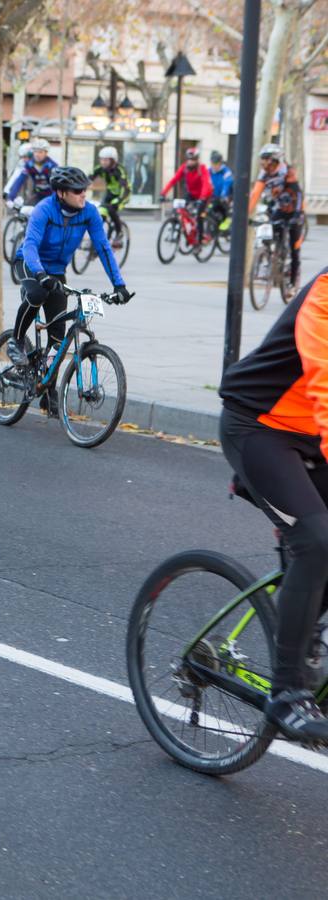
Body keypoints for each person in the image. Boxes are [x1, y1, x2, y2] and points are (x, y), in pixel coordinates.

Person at [218, 269, 328, 742]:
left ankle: (308, 641)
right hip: (258, 427)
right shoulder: (325, 294)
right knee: (318, 540)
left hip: (311, 437)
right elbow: (325, 384)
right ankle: (288, 691)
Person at [7, 166, 131, 368]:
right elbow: (30, 245)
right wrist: (39, 273)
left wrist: (119, 285)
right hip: (29, 264)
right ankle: (16, 342)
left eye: (84, 190)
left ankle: (49, 391)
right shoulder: (44, 209)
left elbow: (103, 248)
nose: (83, 194)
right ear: (61, 193)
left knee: (57, 342)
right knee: (37, 294)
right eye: (77, 190)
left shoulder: (89, 212)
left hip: (56, 271)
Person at [248, 143, 304, 287]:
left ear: (277, 160)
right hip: (279, 208)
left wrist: (297, 215)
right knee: (268, 230)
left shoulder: (287, 172)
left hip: (294, 210)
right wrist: (246, 214)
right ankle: (268, 257)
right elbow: (255, 195)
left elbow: (297, 194)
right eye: (263, 160)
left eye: (268, 160)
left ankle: (292, 282)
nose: (265, 164)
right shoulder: (264, 175)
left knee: (294, 248)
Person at [160, 148, 213, 245]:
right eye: (189, 159)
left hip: (204, 195)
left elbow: (206, 184)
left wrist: (202, 198)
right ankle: (180, 230)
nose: (190, 162)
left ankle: (200, 240)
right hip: (191, 194)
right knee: (179, 209)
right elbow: (174, 180)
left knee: (199, 216)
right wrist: (163, 193)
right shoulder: (184, 168)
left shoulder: (202, 169)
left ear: (197, 160)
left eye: (193, 159)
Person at [89, 147, 130, 248]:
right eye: (101, 159)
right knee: (101, 213)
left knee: (111, 209)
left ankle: (119, 232)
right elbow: (88, 178)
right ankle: (97, 238)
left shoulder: (120, 170)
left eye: (106, 160)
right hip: (110, 193)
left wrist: (119, 200)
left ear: (113, 160)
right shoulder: (100, 169)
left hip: (122, 194)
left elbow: (124, 187)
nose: (103, 162)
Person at [4, 138, 58, 207]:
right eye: (35, 152)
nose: (37, 154)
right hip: (38, 194)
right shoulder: (29, 165)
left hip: (51, 196)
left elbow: (56, 185)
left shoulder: (52, 165)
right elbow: (20, 180)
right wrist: (11, 198)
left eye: (40, 152)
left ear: (46, 153)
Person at [208, 149, 234, 236]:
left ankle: (227, 226)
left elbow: (227, 184)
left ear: (220, 163)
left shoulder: (226, 172)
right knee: (210, 208)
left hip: (227, 195)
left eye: (216, 164)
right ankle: (212, 226)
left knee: (224, 209)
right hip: (214, 195)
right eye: (213, 164)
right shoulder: (209, 171)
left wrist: (224, 195)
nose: (214, 166)